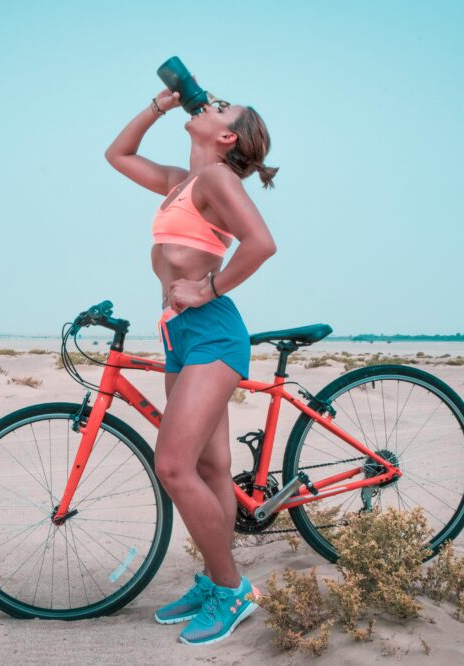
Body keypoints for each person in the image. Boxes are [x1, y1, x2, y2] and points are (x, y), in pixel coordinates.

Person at [104, 85, 279, 645]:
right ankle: (212, 580)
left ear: (227, 136)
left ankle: (232, 591)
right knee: (210, 470)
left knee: (174, 467)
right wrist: (159, 106)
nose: (210, 104)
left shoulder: (218, 180)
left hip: (211, 334)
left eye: (221, 108)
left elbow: (262, 243)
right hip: (179, 335)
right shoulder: (185, 181)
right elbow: (119, 156)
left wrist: (209, 287)